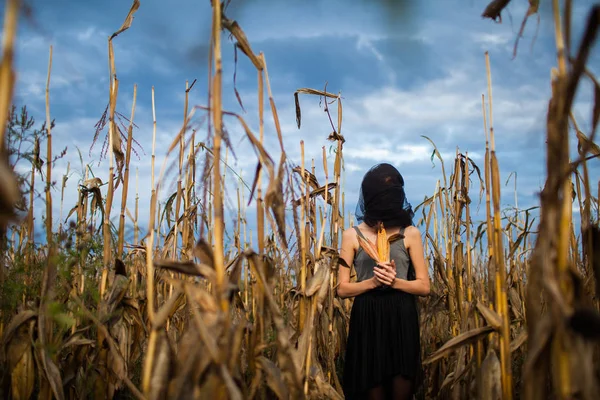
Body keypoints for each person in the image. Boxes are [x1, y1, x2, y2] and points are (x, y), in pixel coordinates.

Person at [337, 163, 430, 400]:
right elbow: (342, 289)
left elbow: (424, 286)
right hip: (368, 319)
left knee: (402, 392)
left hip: (402, 317)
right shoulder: (351, 236)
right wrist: (374, 283)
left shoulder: (411, 234)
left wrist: (394, 282)